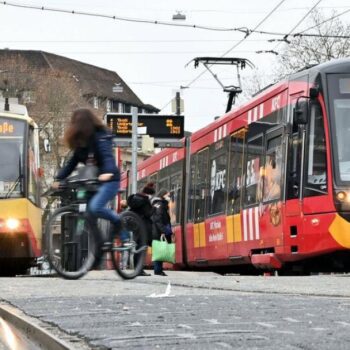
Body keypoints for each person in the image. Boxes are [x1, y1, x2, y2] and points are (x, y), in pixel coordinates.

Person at [52, 108, 121, 252]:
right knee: (89, 214)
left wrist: (107, 172)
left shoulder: (100, 137)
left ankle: (117, 220)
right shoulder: (81, 146)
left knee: (95, 207)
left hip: (110, 180)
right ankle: (99, 248)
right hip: (93, 182)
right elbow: (71, 164)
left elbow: (106, 155)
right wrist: (58, 178)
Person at [127, 182, 155, 276]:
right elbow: (148, 214)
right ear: (149, 194)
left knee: (138, 247)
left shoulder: (136, 199)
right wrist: (153, 209)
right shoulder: (145, 200)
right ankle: (139, 269)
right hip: (143, 227)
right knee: (142, 248)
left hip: (136, 226)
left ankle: (137, 268)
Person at [151, 188, 173, 276]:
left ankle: (158, 269)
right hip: (159, 231)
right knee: (159, 250)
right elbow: (158, 219)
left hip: (156, 230)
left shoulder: (157, 204)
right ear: (163, 195)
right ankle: (158, 270)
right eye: (167, 195)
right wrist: (163, 231)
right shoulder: (160, 205)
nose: (169, 197)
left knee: (159, 250)